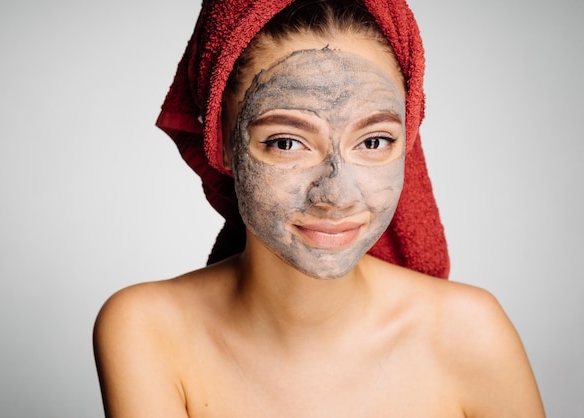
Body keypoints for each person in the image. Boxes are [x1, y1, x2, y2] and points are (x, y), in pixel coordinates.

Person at [93, 0, 545, 416]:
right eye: (287, 142)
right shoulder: (146, 329)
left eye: (374, 141)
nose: (336, 195)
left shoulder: (471, 332)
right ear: (222, 143)